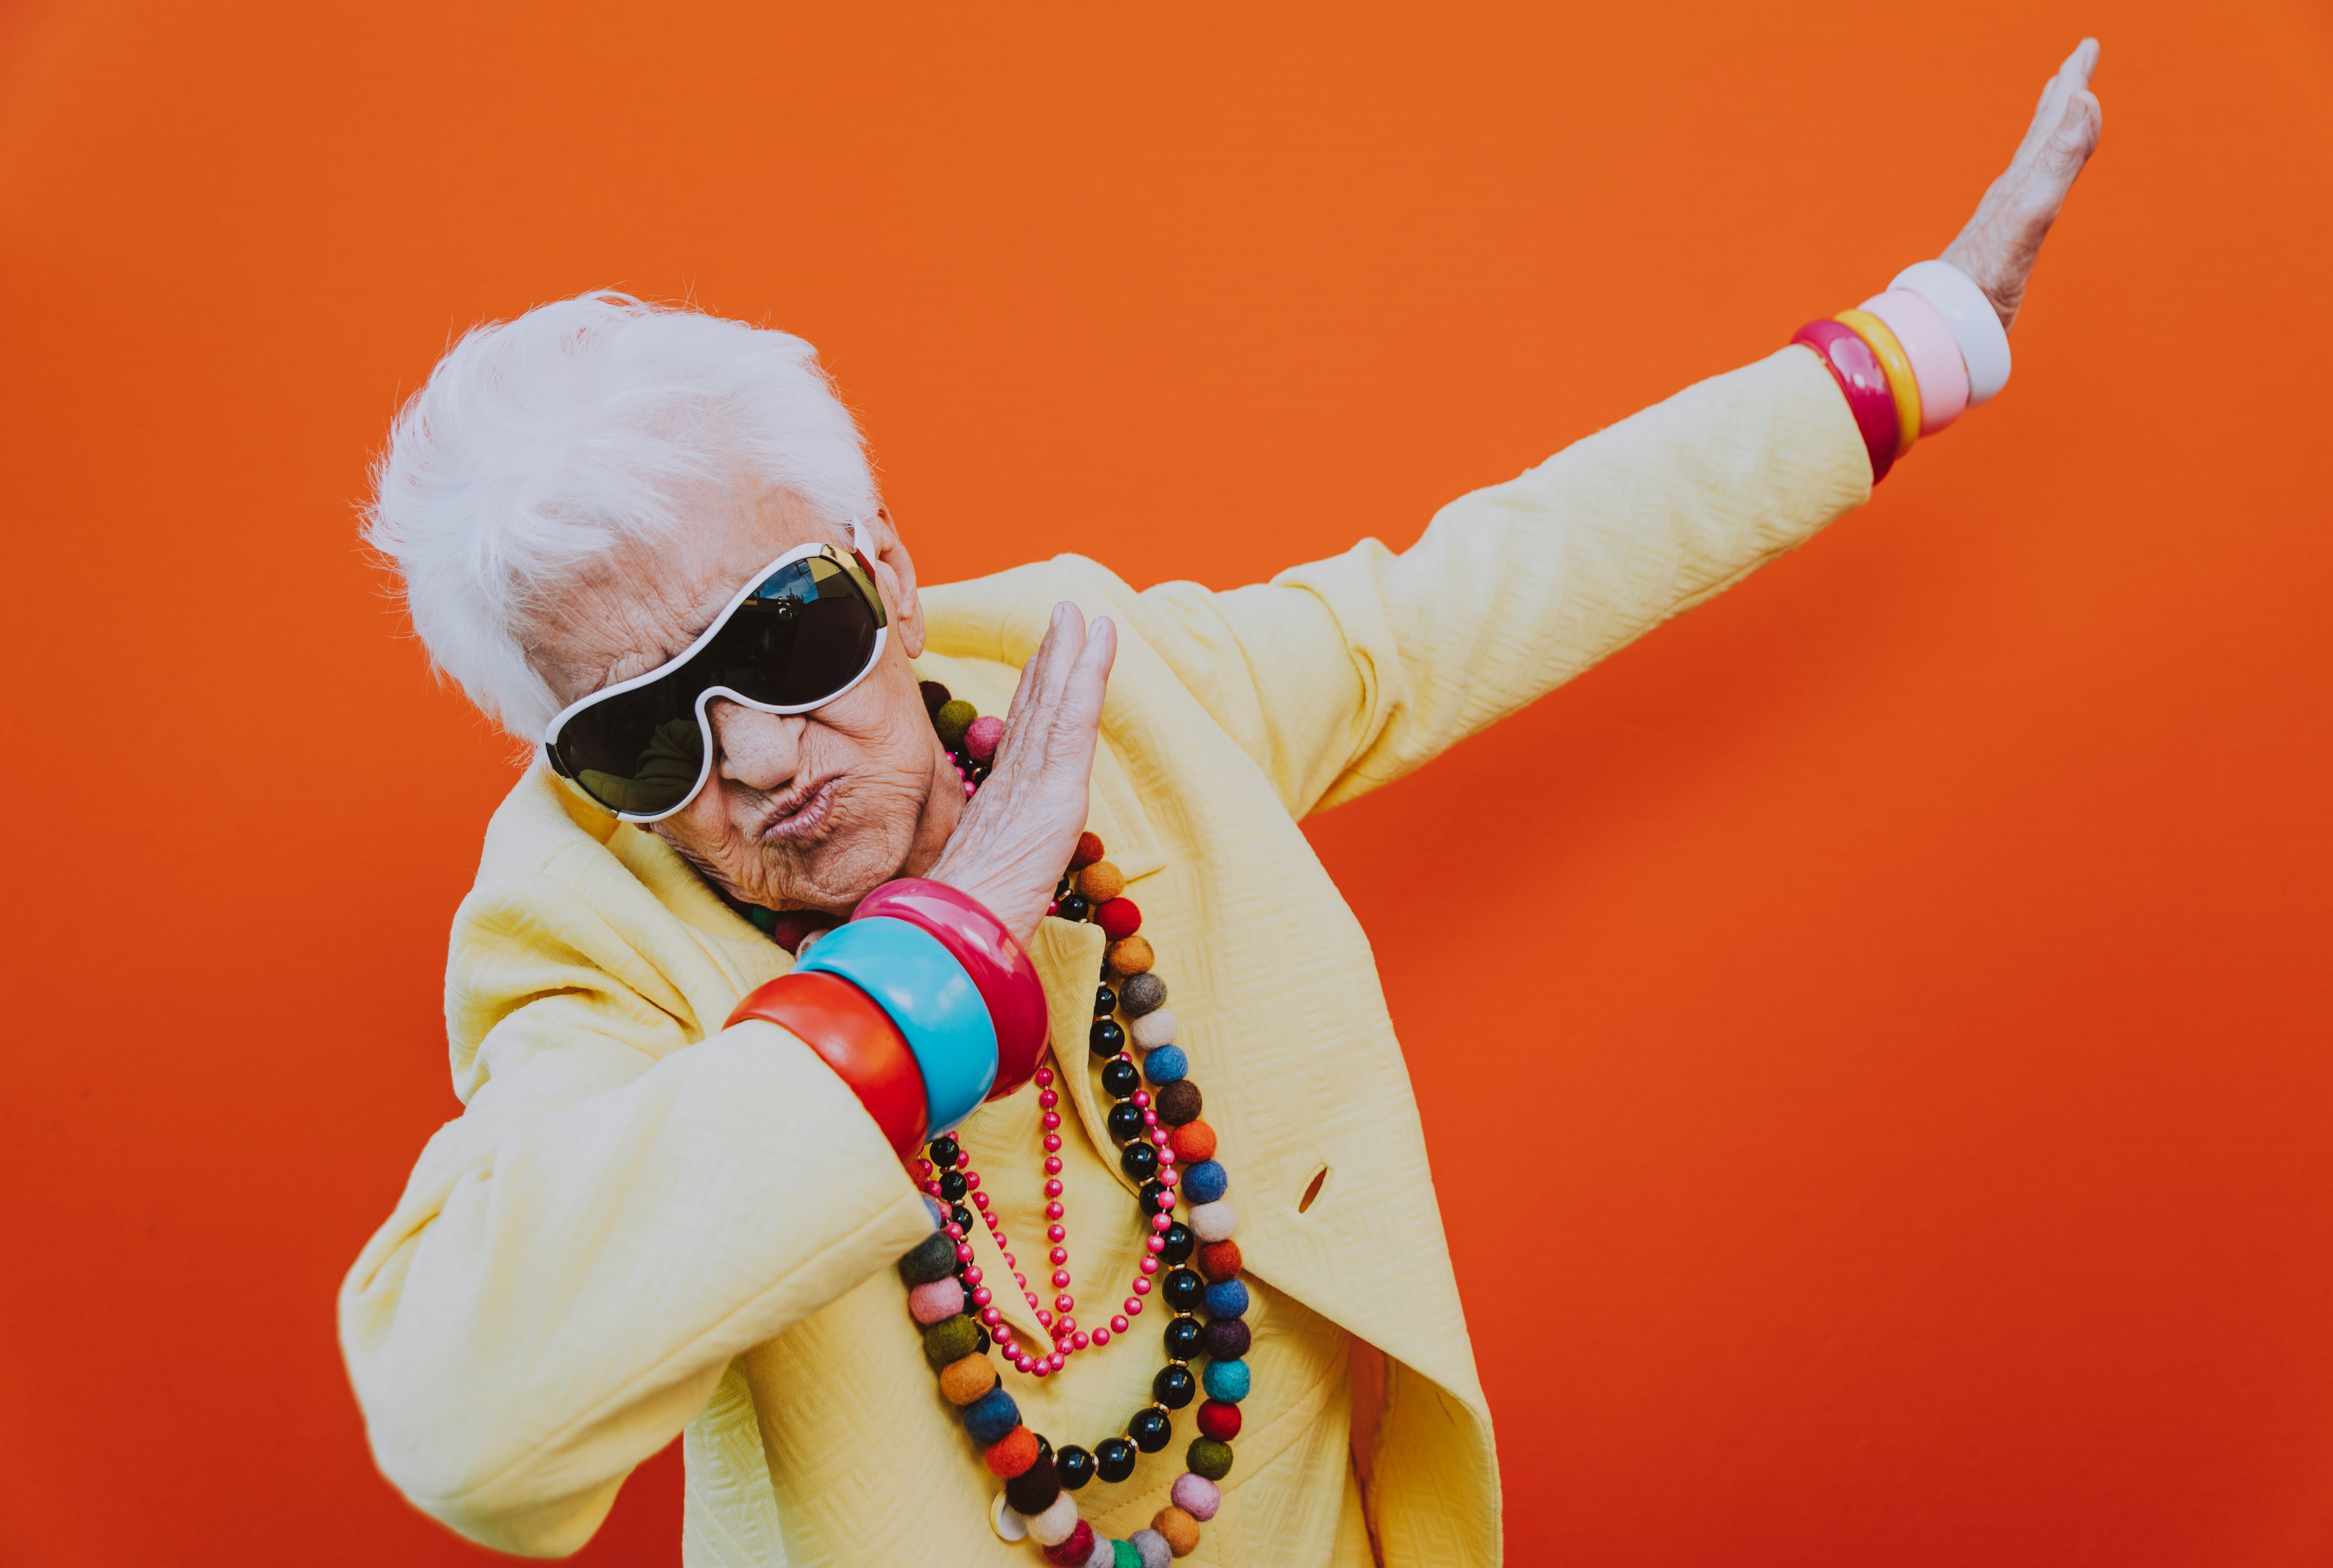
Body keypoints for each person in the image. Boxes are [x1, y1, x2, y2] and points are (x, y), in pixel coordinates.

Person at [340, 41, 2104, 1568]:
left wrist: (1917, 346)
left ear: (881, 562)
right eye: (642, 738)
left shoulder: (1116, 694)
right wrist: (946, 960)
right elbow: (464, 1419)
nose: (761, 763)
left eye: (784, 637)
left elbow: (1492, 582)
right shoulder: (588, 950)